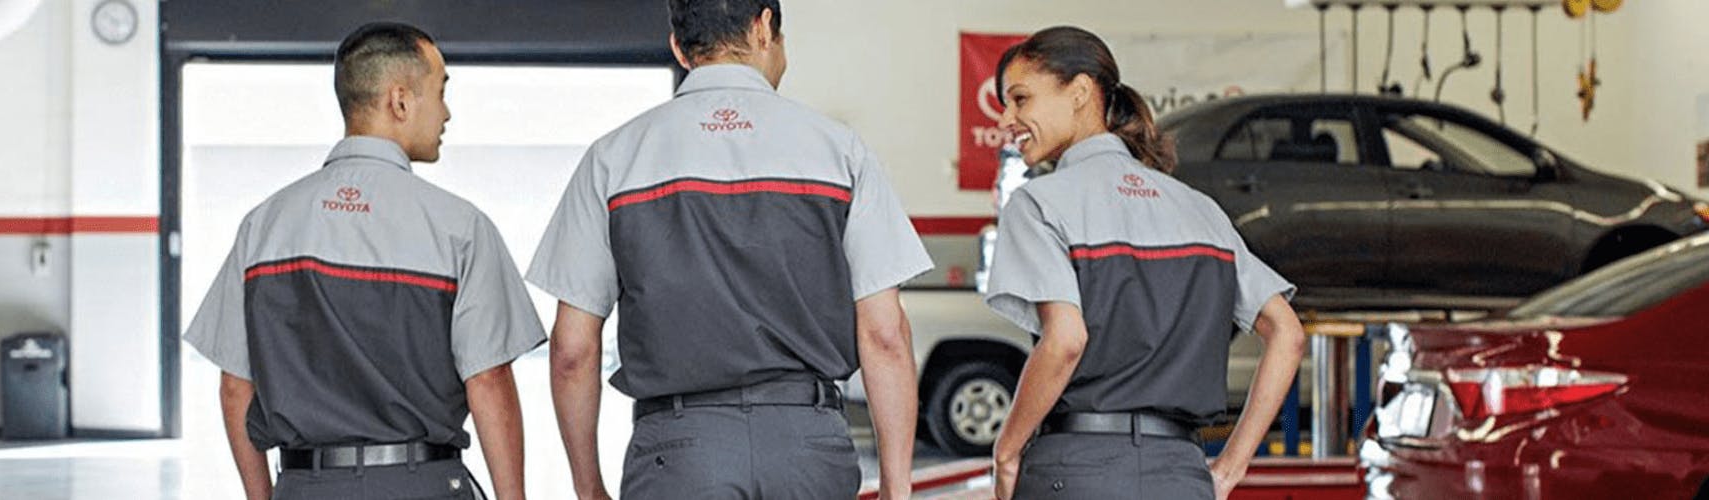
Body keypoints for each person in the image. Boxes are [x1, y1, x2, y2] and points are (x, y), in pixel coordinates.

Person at [524, 1, 932, 498]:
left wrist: (589, 488)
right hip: (808, 449)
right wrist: (896, 484)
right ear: (764, 28)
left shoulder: (614, 157)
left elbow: (572, 350)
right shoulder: (840, 151)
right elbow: (886, 334)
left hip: (676, 454)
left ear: (678, 46)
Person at [182, 22, 545, 500]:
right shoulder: (459, 226)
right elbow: (489, 380)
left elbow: (235, 387)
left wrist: (262, 497)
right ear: (399, 100)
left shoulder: (263, 226)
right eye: (439, 92)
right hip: (422, 485)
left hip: (303, 485)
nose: (447, 113)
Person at [980, 26, 1308, 500]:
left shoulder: (1039, 204)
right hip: (1181, 474)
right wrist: (1229, 470)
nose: (1007, 118)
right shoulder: (1201, 209)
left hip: (1074, 471)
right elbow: (1288, 333)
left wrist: (1007, 451)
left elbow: (1066, 341)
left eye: (1020, 99)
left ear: (1079, 93)